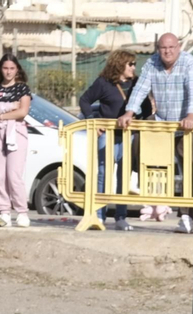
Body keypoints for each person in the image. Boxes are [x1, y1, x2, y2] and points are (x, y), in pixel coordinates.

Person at [119, 33, 193, 234]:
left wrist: (191, 116)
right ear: (158, 48)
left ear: (179, 47)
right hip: (163, 120)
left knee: (190, 165)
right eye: (163, 48)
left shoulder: (189, 63)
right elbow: (141, 88)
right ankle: (137, 179)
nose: (167, 52)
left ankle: (186, 216)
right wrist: (129, 112)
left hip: (188, 122)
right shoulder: (152, 63)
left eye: (171, 47)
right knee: (140, 131)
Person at [79, 50, 144, 230]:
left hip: (127, 135)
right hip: (107, 134)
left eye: (134, 64)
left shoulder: (137, 84)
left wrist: (139, 119)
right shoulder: (104, 83)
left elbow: (145, 107)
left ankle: (120, 217)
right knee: (103, 174)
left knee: (124, 176)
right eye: (130, 64)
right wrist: (92, 121)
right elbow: (84, 100)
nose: (133, 67)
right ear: (119, 64)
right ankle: (99, 215)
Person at [0, 54, 33, 228]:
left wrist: (0, 113)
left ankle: (22, 211)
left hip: (15, 131)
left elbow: (22, 112)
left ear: (17, 69)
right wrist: (8, 106)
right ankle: (4, 210)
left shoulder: (22, 89)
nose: (8, 72)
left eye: (12, 68)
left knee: (14, 174)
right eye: (5, 68)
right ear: (0, 69)